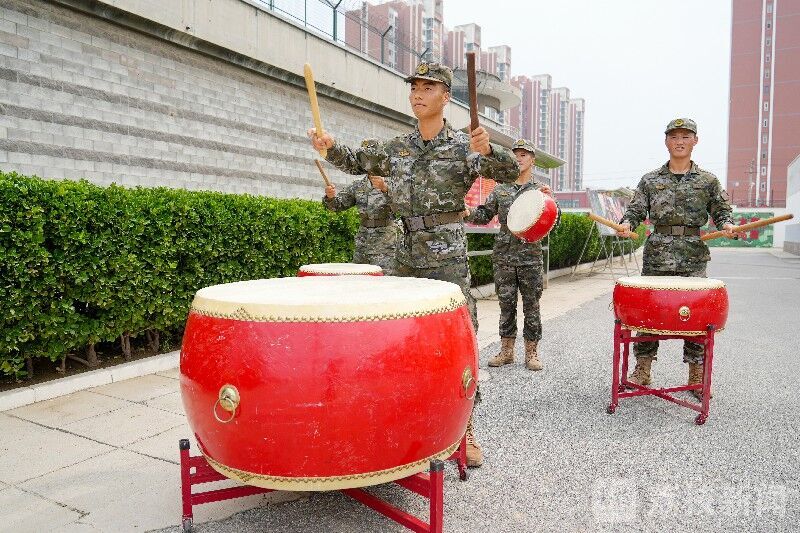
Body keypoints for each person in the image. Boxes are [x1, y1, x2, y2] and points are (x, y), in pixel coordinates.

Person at [308, 62, 519, 467]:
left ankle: (466, 427)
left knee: (458, 339)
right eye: (414, 87)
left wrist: (488, 149)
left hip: (447, 255)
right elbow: (355, 161)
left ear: (445, 97)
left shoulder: (462, 146)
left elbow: (508, 171)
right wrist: (329, 146)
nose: (418, 93)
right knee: (398, 340)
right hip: (403, 251)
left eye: (428, 87)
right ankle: (402, 420)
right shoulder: (397, 147)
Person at [616, 118, 740, 399]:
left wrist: (727, 224)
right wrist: (627, 223)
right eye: (674, 136)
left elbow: (721, 210)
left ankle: (696, 375)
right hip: (657, 252)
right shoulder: (650, 180)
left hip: (693, 253)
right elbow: (636, 210)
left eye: (686, 136)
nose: (680, 141)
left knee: (696, 316)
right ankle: (643, 368)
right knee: (649, 311)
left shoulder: (707, 181)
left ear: (695, 140)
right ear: (666, 141)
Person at [464, 139, 558, 371]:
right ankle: (506, 351)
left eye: (524, 154)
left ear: (533, 160)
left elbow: (554, 223)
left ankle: (532, 352)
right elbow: (484, 214)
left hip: (530, 257)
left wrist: (552, 202)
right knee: (506, 305)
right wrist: (466, 211)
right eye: (516, 154)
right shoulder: (501, 188)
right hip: (504, 256)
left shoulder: (539, 191)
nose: (519, 157)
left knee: (531, 305)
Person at [322, 174, 398, 274]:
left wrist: (386, 189)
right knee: (359, 278)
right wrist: (330, 197)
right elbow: (338, 205)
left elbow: (403, 206)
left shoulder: (394, 182)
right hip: (363, 242)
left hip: (385, 243)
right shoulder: (358, 185)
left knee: (384, 279)